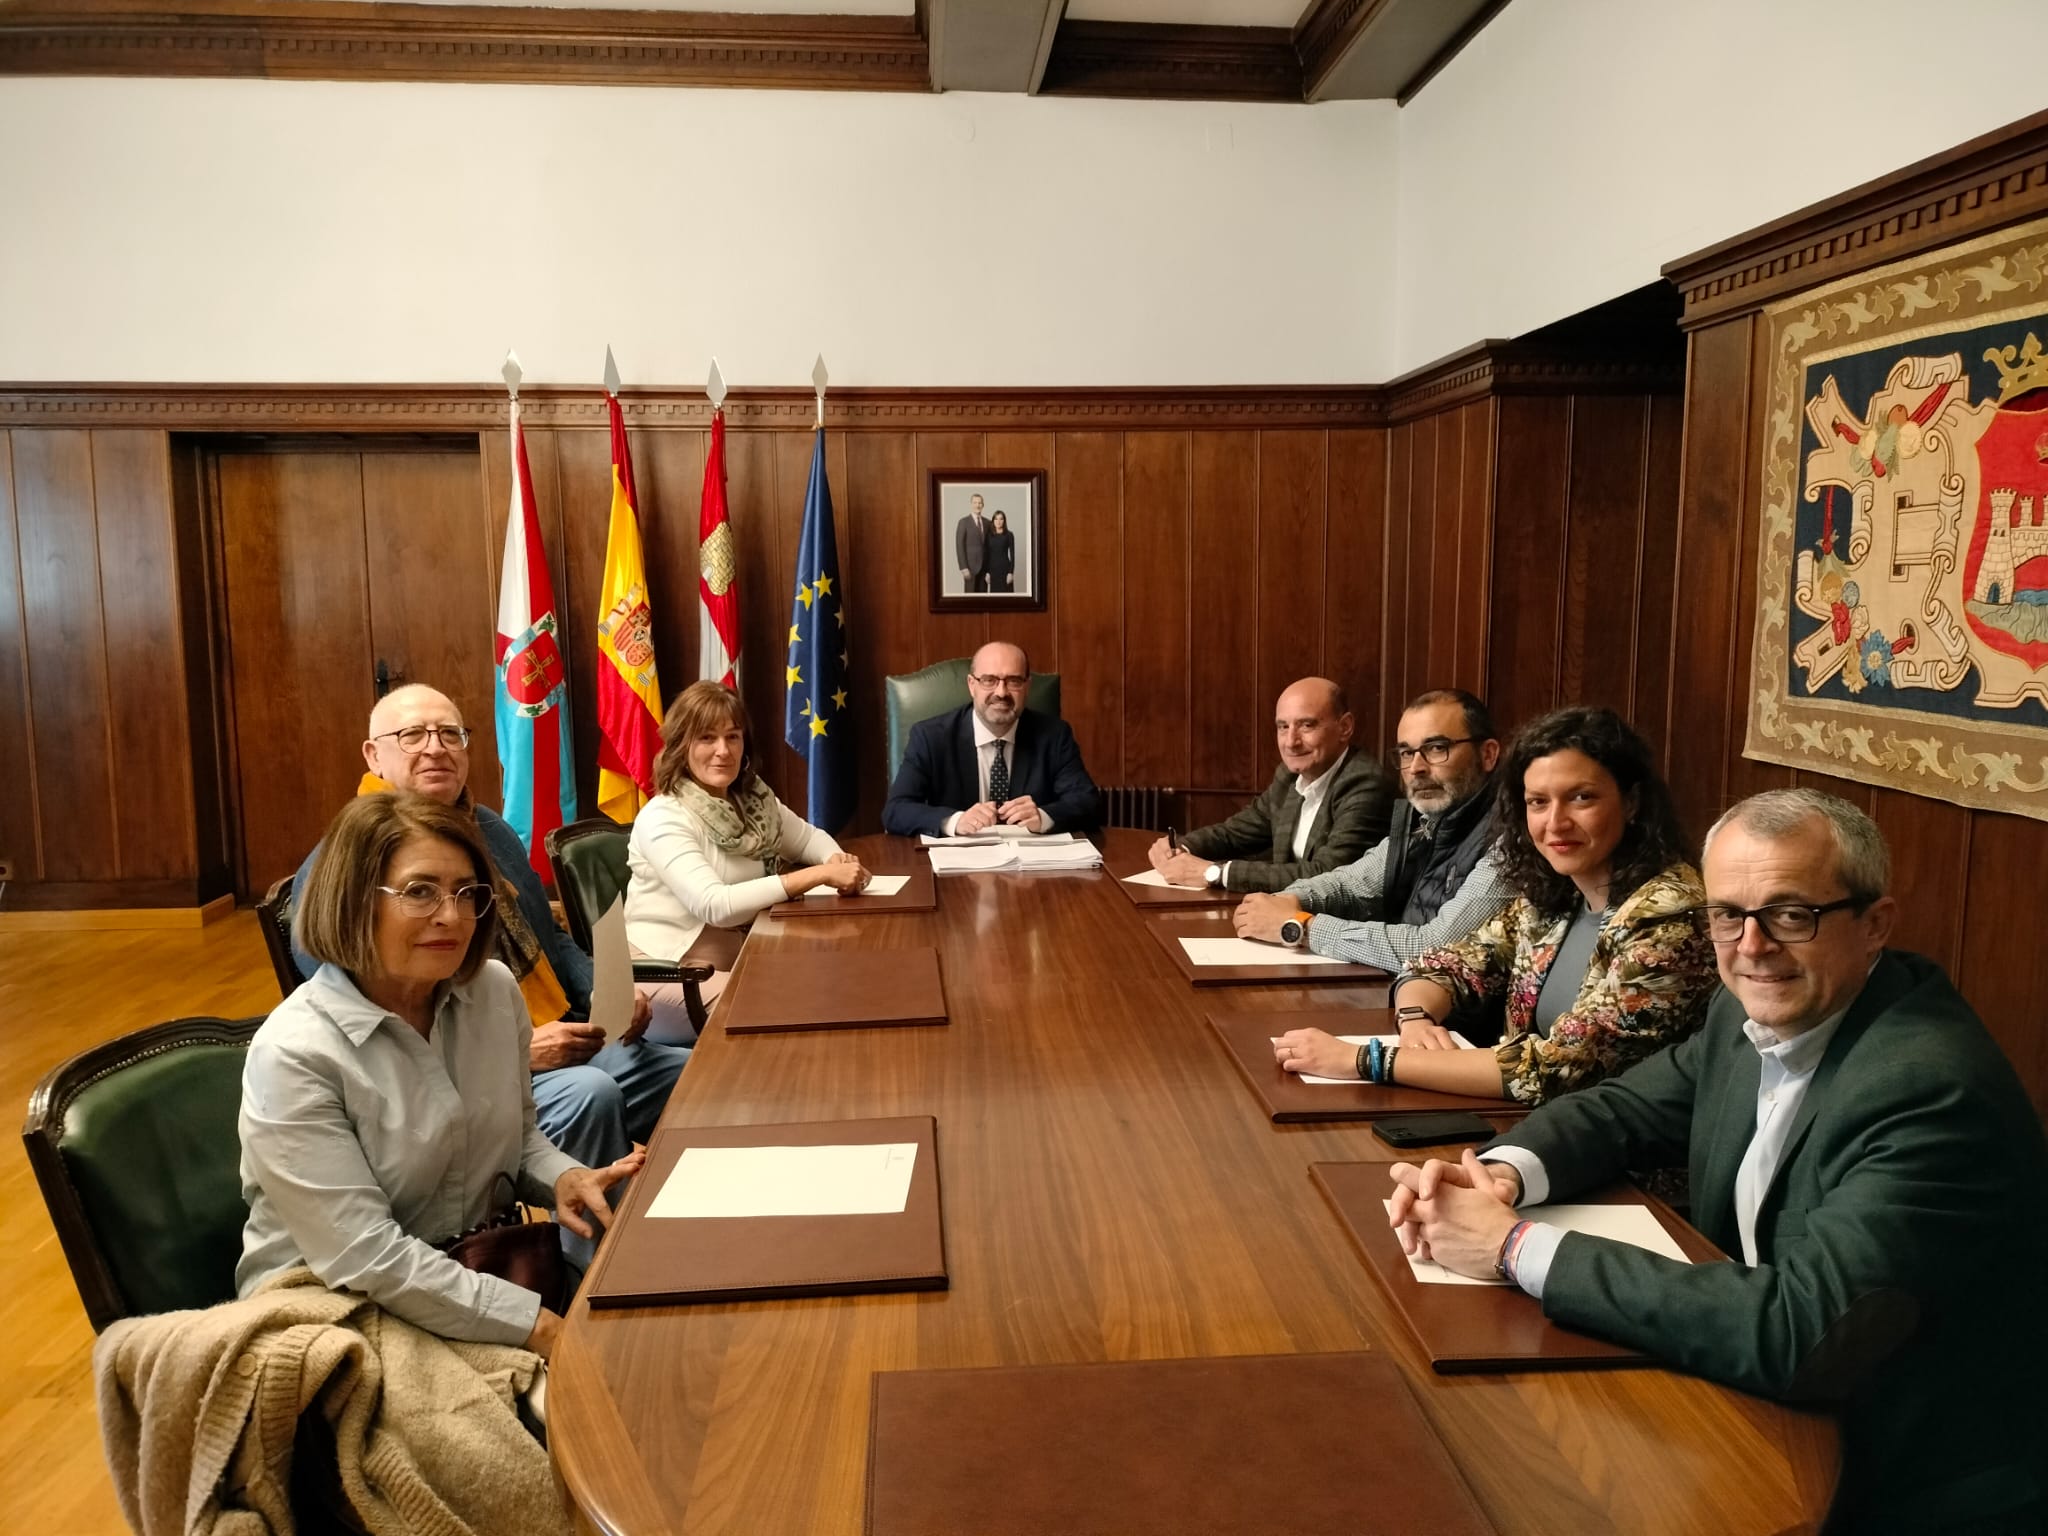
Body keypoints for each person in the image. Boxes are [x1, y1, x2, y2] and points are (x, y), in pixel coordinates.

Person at [1388, 789, 2048, 1533]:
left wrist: (1510, 1246)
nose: (1752, 945)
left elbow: (1802, 1332)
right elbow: (1624, 1109)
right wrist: (1502, 1173)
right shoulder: (1746, 1009)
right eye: (1728, 914)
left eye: (1792, 914)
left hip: (1904, 1481)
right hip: (1754, 1407)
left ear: (1875, 925)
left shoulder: (1926, 1090)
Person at [242, 792, 640, 1358]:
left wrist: (562, 1178)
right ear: (352, 900)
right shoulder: (295, 1054)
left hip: (475, 1271)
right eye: (419, 891)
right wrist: (542, 1327)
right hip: (335, 1314)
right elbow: (367, 1258)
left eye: (466, 893)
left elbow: (521, 1138)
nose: (451, 916)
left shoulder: (494, 991)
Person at [289, 685, 686, 1174]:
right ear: (374, 756)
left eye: (450, 734)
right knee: (590, 1094)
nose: (436, 747)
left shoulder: (490, 831)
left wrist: (609, 991)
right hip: (455, 1076)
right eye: (412, 735)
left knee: (692, 1074)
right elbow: (362, 1027)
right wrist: (518, 1051)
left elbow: (552, 939)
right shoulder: (339, 866)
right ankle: (597, 1247)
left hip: (570, 1032)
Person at [1273, 706, 1714, 1103]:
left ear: (1632, 802)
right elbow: (1444, 964)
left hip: (1630, 1171)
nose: (1555, 823)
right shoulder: (1552, 895)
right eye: (1538, 802)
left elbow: (1556, 1068)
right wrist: (1414, 1019)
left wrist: (1365, 1060)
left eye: (1581, 798)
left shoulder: (1668, 915)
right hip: (1528, 1130)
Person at [627, 681, 869, 1033]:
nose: (723, 751)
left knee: (842, 977)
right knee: (791, 1006)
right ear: (682, 746)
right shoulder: (663, 816)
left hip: (742, 959)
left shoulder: (752, 802)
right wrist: (816, 876)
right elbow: (715, 906)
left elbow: (808, 839)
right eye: (707, 738)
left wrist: (836, 862)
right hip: (669, 976)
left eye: (733, 736)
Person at [1232, 688, 1515, 965]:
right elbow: (1349, 884)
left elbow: (1435, 948)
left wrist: (1301, 927)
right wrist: (1285, 901)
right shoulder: (1423, 821)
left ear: (1488, 755)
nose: (1416, 767)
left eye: (1436, 748)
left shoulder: (1512, 837)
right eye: (1406, 753)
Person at [1147, 677, 1394, 893]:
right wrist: (1180, 846)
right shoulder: (1289, 776)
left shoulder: (1365, 784)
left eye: (1307, 725)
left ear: (1345, 727)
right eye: (1283, 727)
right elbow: (1236, 833)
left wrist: (1215, 873)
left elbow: (1327, 875)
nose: (1291, 742)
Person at [882, 641, 1100, 837]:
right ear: (971, 685)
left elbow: (1087, 802)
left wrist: (1043, 817)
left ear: (1027, 687)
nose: (1001, 692)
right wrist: (955, 821)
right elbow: (896, 810)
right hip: (957, 866)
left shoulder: (1054, 735)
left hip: (1033, 870)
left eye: (1013, 681)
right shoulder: (931, 737)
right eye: (989, 680)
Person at [955, 492, 990, 593]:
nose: (977, 505)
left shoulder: (988, 523)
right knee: (969, 600)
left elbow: (990, 547)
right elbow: (959, 545)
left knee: (983, 600)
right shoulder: (963, 522)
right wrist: (963, 567)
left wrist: (989, 570)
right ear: (971, 504)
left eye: (980, 503)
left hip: (984, 568)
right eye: (975, 502)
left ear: (983, 505)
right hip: (970, 568)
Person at [986, 509, 1016, 593]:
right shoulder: (989, 536)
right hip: (993, 571)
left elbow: (1013, 555)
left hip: (1005, 570)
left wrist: (1010, 573)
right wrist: (987, 572)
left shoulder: (1009, 535)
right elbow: (987, 555)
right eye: (996, 519)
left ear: (1004, 521)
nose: (998, 521)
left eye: (1001, 519)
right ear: (993, 521)